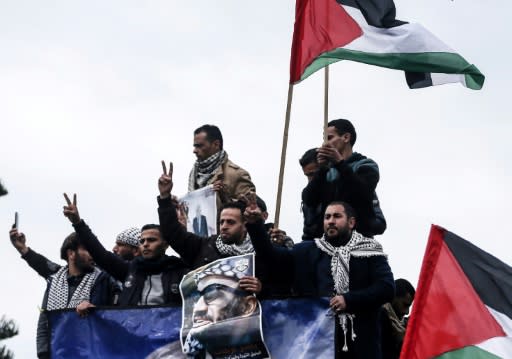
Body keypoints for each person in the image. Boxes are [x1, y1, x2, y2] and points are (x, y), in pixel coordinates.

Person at [245, 201, 395, 358]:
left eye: (337, 216)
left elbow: (386, 288)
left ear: (351, 222)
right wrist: (256, 226)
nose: (331, 221)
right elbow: (272, 258)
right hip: (316, 344)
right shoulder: (307, 250)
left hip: (361, 344)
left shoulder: (370, 252)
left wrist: (349, 300)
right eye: (327, 217)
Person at [9, 225, 117, 359]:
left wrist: (93, 309)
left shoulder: (101, 279)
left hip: (88, 353)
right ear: (71, 253)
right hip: (56, 352)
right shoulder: (55, 278)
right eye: (87, 250)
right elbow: (44, 320)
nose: (92, 255)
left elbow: (103, 319)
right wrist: (43, 353)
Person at [62, 193, 188, 306]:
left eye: (151, 240)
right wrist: (78, 223)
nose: (145, 244)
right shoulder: (131, 270)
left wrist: (182, 233)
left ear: (165, 244)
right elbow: (100, 254)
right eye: (142, 241)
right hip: (132, 332)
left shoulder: (178, 270)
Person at [302, 119, 386, 238]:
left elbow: (363, 193)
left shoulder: (366, 165)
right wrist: (322, 170)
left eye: (330, 138)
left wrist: (340, 163)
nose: (325, 144)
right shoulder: (326, 171)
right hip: (329, 241)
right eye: (324, 140)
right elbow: (309, 200)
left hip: (359, 240)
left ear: (346, 137)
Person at [182, 257, 267, 358]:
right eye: (195, 298)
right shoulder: (191, 349)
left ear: (247, 307)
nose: (197, 308)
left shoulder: (275, 341)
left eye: (211, 294)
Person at [188, 124, 255, 207]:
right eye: (195, 146)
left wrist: (223, 196)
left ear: (216, 144)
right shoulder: (194, 173)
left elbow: (250, 210)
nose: (194, 151)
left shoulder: (237, 174)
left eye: (200, 146)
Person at [381, 278, 415, 359]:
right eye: (405, 305)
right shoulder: (378, 318)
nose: (407, 312)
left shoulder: (402, 325)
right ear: (393, 296)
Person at [299, 148, 323, 240]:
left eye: (313, 174)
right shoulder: (307, 194)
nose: (310, 180)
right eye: (307, 175)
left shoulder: (335, 189)